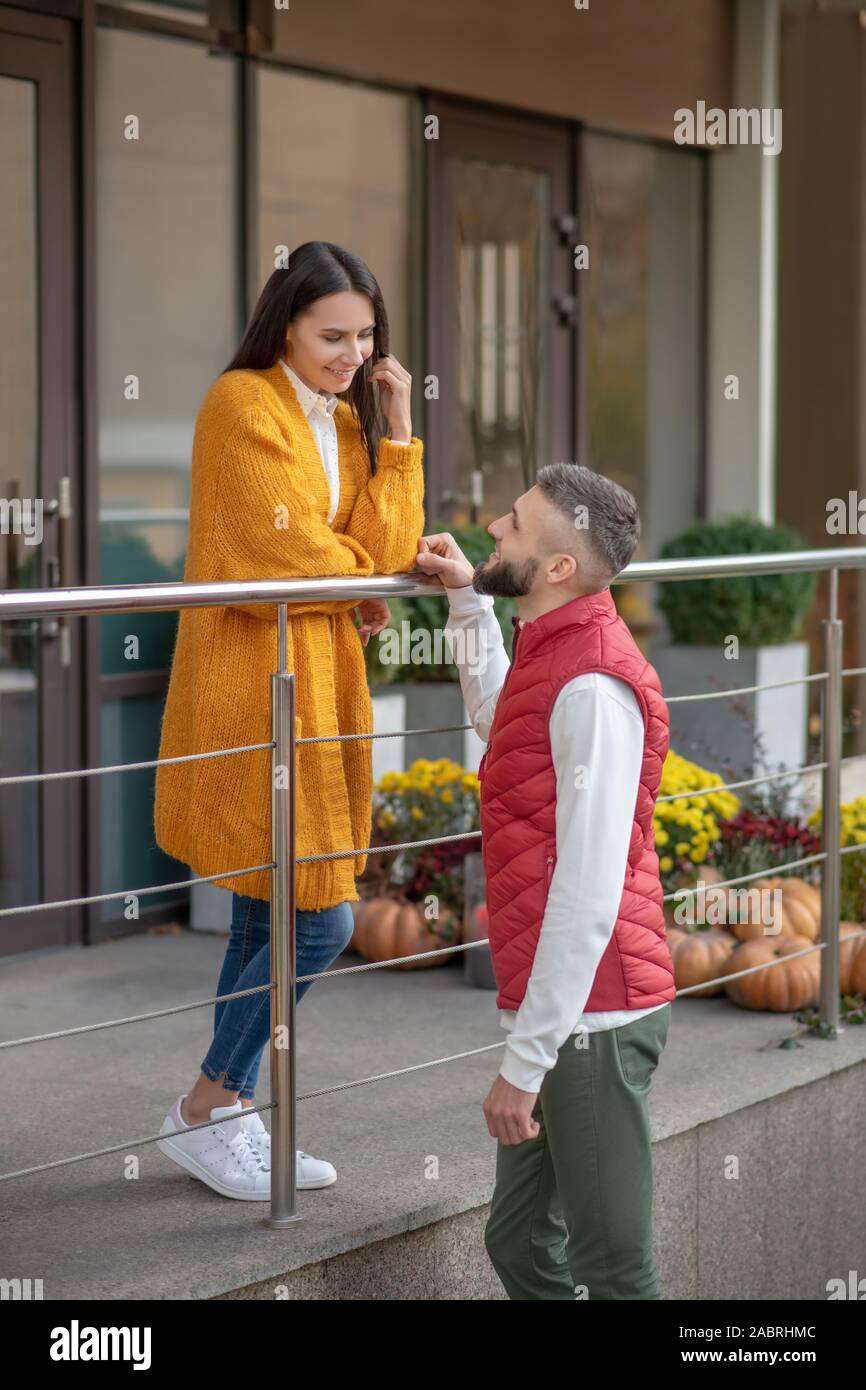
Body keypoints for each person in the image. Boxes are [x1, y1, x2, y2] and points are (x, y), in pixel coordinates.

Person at [153, 241, 425, 1200]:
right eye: (332, 336)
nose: (354, 355)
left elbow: (386, 547)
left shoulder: (346, 422)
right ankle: (203, 1106)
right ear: (286, 326)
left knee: (265, 914)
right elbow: (293, 562)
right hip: (253, 686)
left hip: (317, 686)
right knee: (322, 919)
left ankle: (224, 1112)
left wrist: (398, 431)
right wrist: (356, 576)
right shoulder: (241, 406)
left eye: (366, 336)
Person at [415, 462, 676, 1299]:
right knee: (522, 1242)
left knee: (614, 1269)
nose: (494, 527)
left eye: (516, 523)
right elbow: (504, 721)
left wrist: (525, 1065)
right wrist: (469, 602)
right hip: (565, 1008)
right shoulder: (554, 643)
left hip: (596, 1018)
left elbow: (589, 893)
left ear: (560, 566)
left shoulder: (594, 686)